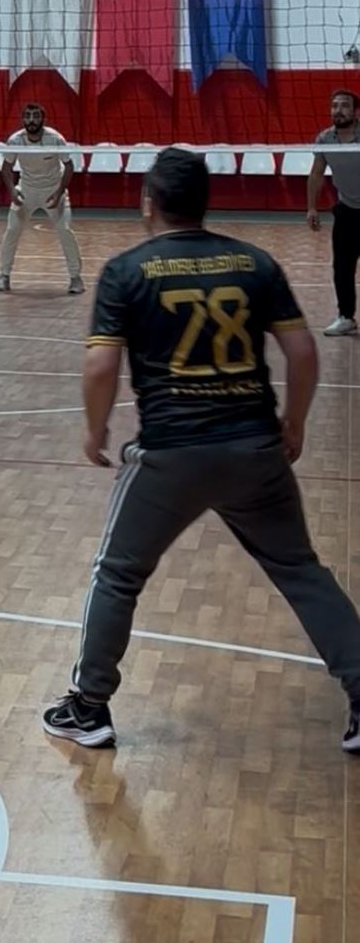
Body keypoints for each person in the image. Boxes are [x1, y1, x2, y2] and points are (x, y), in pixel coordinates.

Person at [43, 146, 360, 754]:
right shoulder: (255, 262)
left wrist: (94, 430)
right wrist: (294, 423)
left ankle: (88, 706)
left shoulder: (127, 270)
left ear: (148, 204)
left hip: (171, 454)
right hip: (255, 447)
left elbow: (101, 366)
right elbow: (302, 353)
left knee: (118, 574)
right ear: (204, 202)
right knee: (301, 570)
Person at [0, 101, 84, 296]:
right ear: (23, 120)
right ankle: (4, 275)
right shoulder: (15, 140)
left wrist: (59, 192)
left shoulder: (55, 139)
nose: (31, 120)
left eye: (36, 116)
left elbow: (69, 166)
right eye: (28, 116)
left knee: (65, 230)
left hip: (53, 190)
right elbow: (6, 168)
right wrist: (12, 191)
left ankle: (76, 278)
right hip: (26, 190)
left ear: (43, 119)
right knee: (12, 229)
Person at [307, 89, 360, 336]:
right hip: (346, 211)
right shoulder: (325, 138)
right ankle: (346, 317)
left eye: (345, 105)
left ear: (356, 112)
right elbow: (317, 173)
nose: (338, 110)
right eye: (335, 105)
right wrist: (311, 207)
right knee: (342, 268)